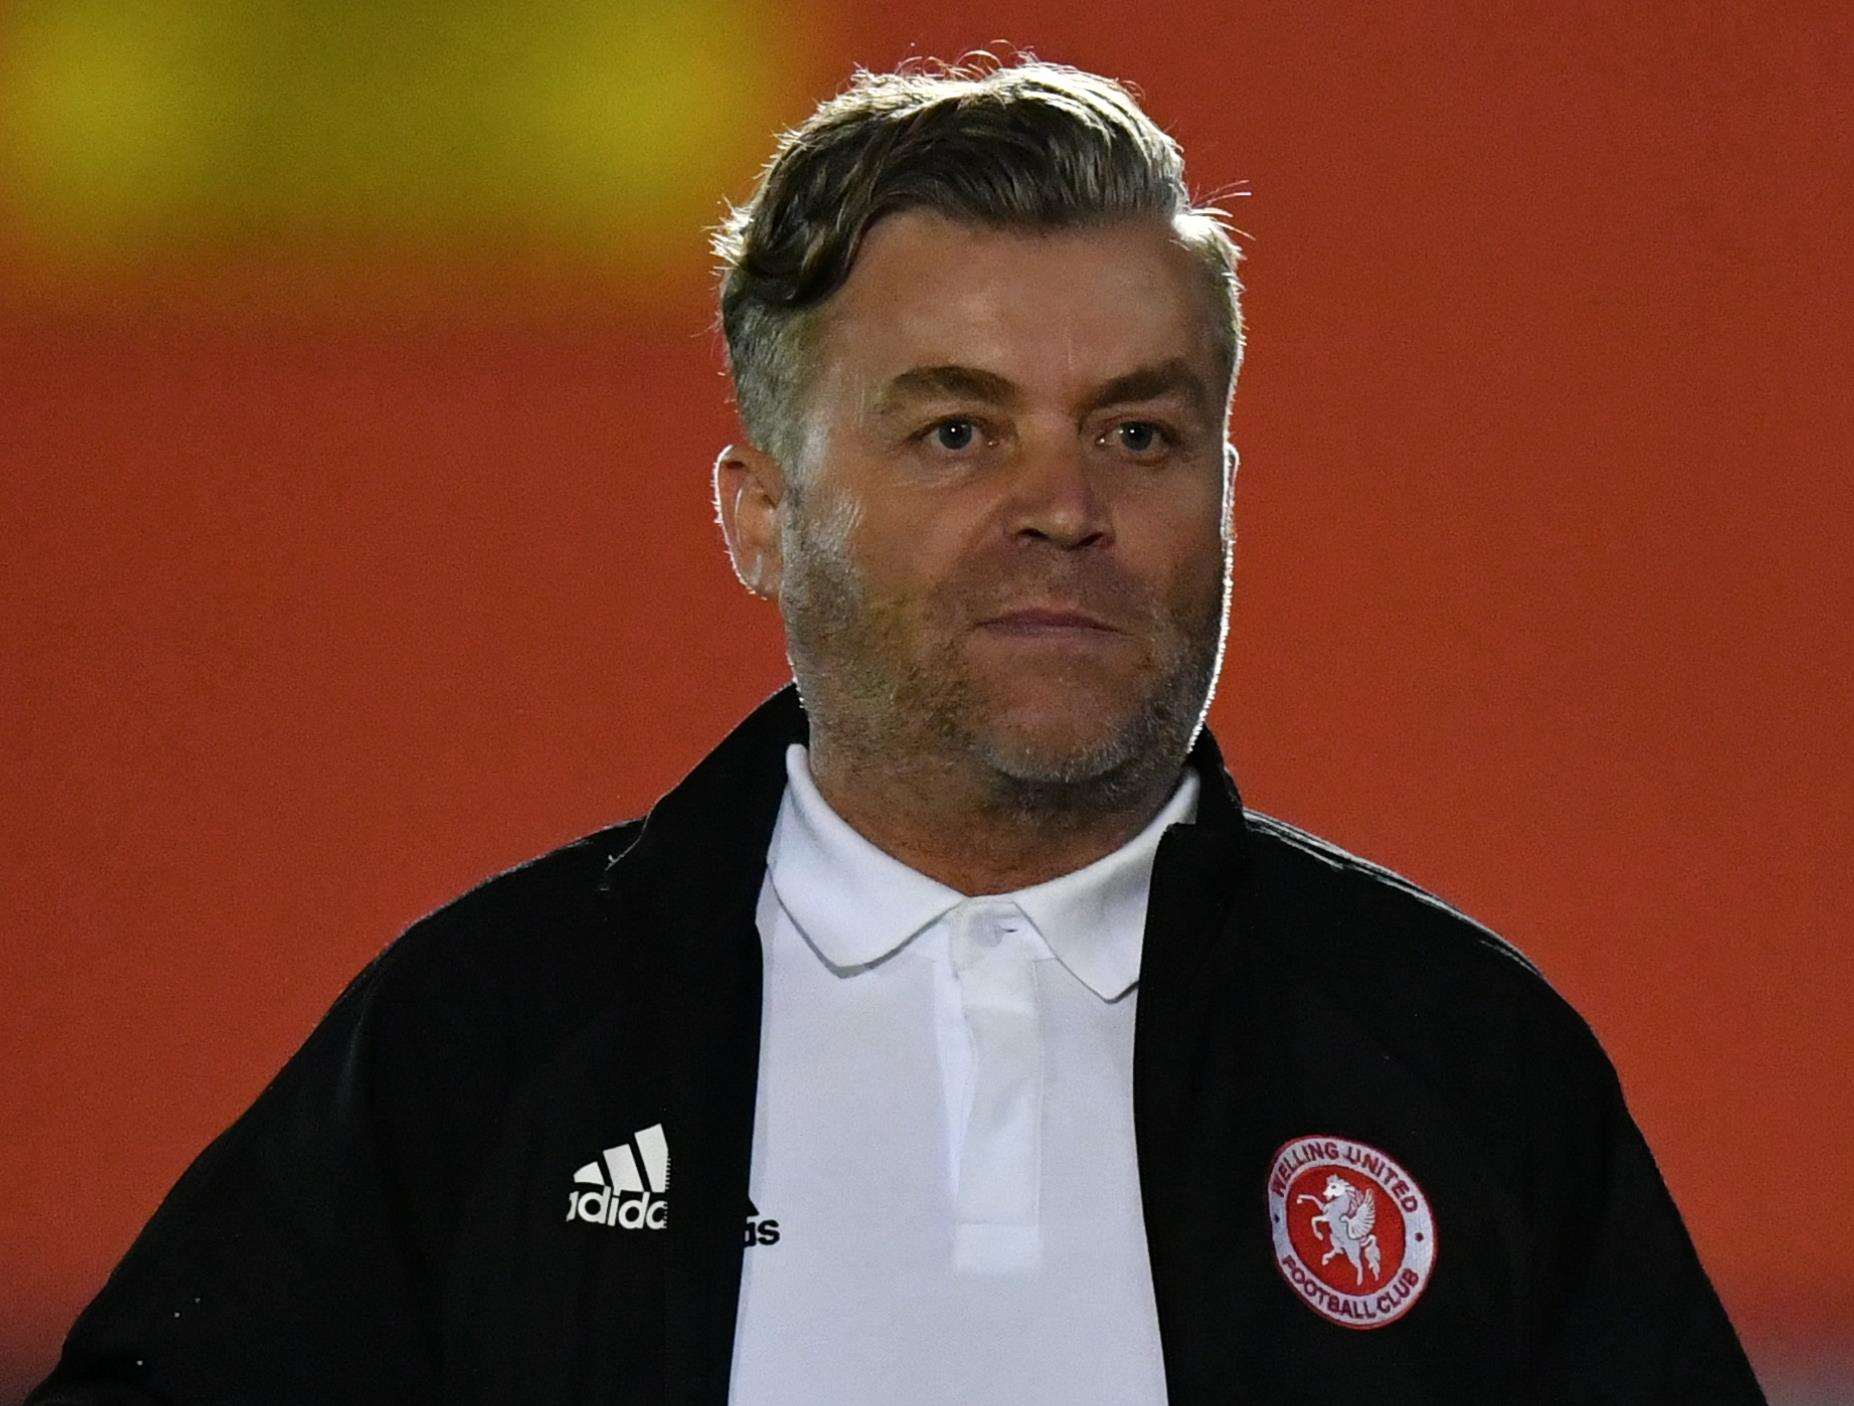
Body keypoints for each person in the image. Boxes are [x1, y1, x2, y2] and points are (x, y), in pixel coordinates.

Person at [31, 53, 1763, 1405]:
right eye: (955, 432)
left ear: (1227, 492)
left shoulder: (1461, 1063)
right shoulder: (484, 1050)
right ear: (760, 513)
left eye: (1139, 433)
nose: (1063, 506)